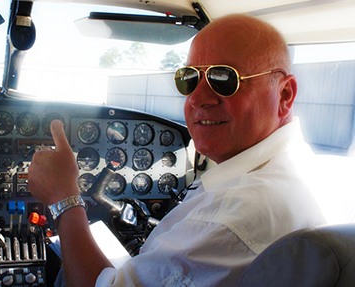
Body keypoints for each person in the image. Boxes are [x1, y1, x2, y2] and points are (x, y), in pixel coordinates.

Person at [28, 14, 326, 286]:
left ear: (285, 94)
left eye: (223, 79)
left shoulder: (230, 219)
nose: (197, 99)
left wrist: (63, 197)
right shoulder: (297, 166)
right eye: (190, 79)